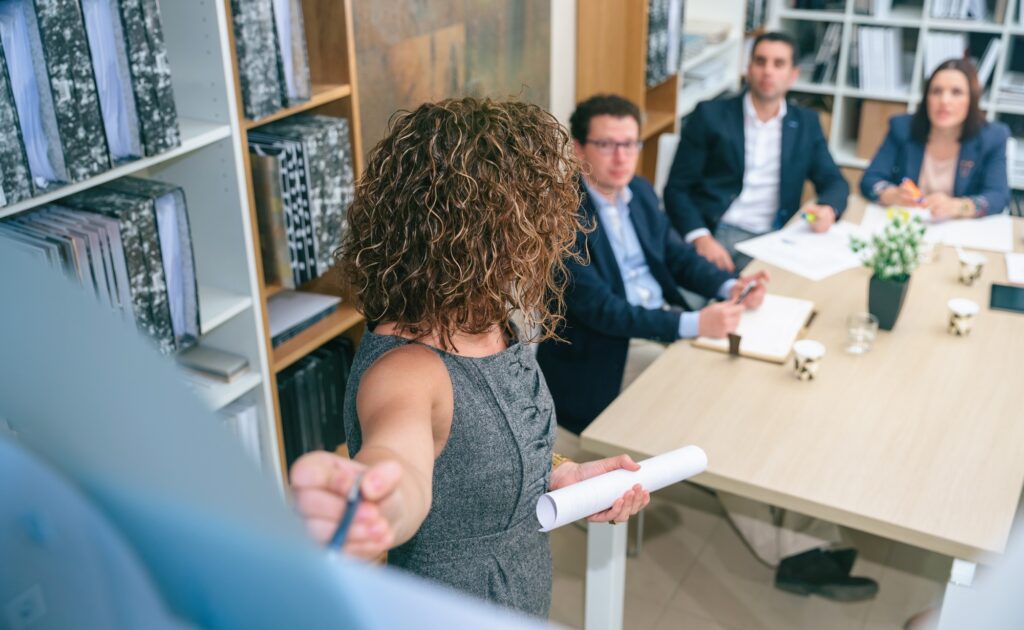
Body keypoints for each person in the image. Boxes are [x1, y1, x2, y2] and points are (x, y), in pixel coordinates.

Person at [287, 97, 649, 619]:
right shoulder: (406, 370)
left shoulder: (494, 317)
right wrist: (371, 504)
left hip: (520, 592)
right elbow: (400, 467)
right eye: (532, 217)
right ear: (479, 233)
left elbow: (477, 452)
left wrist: (560, 476)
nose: (547, 236)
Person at [536, 94, 770, 437]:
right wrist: (694, 323)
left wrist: (728, 285)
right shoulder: (559, 217)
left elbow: (677, 256)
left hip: (659, 324)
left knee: (738, 385)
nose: (621, 157)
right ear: (578, 150)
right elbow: (605, 311)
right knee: (707, 403)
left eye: (630, 145)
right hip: (610, 352)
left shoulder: (640, 192)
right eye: (606, 145)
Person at [664, 31, 850, 272]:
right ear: (748, 68)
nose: (768, 71)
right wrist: (700, 238)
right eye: (760, 61)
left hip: (772, 238)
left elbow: (835, 181)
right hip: (715, 232)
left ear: (793, 75)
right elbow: (677, 189)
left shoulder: (806, 124)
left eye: (778, 63)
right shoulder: (710, 115)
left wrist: (828, 209)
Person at [861, 58, 1010, 218]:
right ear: (927, 99)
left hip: (959, 228)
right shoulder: (902, 128)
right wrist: (891, 194)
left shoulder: (993, 136)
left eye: (956, 92)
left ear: (971, 100)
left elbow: (999, 196)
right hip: (908, 224)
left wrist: (959, 206)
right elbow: (870, 180)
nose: (944, 101)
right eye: (936, 91)